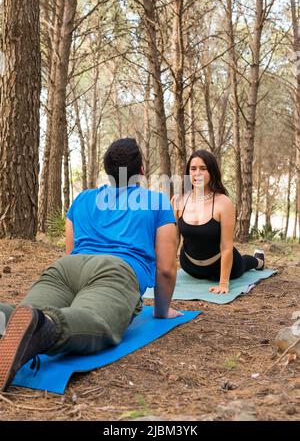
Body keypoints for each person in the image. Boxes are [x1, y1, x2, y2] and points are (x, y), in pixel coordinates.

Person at [0, 138, 180, 392]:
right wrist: (162, 311)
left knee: (25, 312)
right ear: (141, 171)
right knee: (93, 321)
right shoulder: (157, 202)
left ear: (108, 171)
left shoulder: (83, 199)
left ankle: (13, 316)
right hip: (114, 272)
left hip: (66, 269)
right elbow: (166, 268)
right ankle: (45, 327)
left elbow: (70, 251)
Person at [171, 150, 265, 295]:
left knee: (245, 262)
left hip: (220, 266)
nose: (197, 174)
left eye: (203, 169)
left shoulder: (224, 203)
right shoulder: (178, 201)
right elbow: (174, 240)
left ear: (212, 171)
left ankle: (259, 261)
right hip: (190, 267)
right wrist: (167, 272)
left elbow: (226, 246)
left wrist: (223, 283)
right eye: (193, 169)